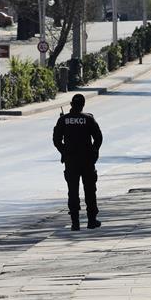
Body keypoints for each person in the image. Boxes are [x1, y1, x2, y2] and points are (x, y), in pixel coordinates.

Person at [53, 93, 103, 231]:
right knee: (90, 190)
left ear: (71, 104)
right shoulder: (88, 119)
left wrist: (64, 152)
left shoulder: (63, 120)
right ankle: (91, 220)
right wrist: (94, 152)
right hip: (87, 160)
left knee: (73, 191)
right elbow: (98, 138)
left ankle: (75, 223)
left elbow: (56, 140)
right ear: (83, 105)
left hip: (71, 161)